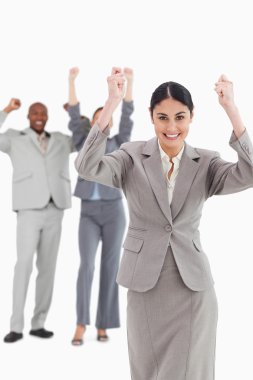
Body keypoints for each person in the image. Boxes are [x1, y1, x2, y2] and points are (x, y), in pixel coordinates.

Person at [74, 68, 253, 379]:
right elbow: (86, 166)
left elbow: (249, 172)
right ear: (151, 117)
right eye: (163, 118)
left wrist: (231, 109)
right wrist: (112, 102)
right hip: (145, 286)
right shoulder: (130, 156)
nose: (172, 127)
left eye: (180, 117)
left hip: (193, 289)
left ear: (191, 117)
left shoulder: (207, 163)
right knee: (146, 371)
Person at [66, 67, 134, 345]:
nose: (101, 121)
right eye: (97, 118)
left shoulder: (119, 142)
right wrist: (71, 81)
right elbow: (73, 117)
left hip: (114, 211)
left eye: (105, 117)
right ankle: (81, 322)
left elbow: (128, 114)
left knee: (110, 266)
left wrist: (129, 82)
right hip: (88, 213)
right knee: (87, 266)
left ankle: (104, 323)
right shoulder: (84, 142)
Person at [0, 99, 76, 343]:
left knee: (48, 267)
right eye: (35, 112)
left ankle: (39, 322)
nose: (39, 115)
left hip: (56, 208)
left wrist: (74, 114)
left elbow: (87, 140)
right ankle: (15, 326)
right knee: (23, 264)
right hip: (28, 209)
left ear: (48, 116)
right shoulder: (14, 138)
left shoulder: (62, 140)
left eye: (43, 112)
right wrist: (6, 110)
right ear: (28, 116)